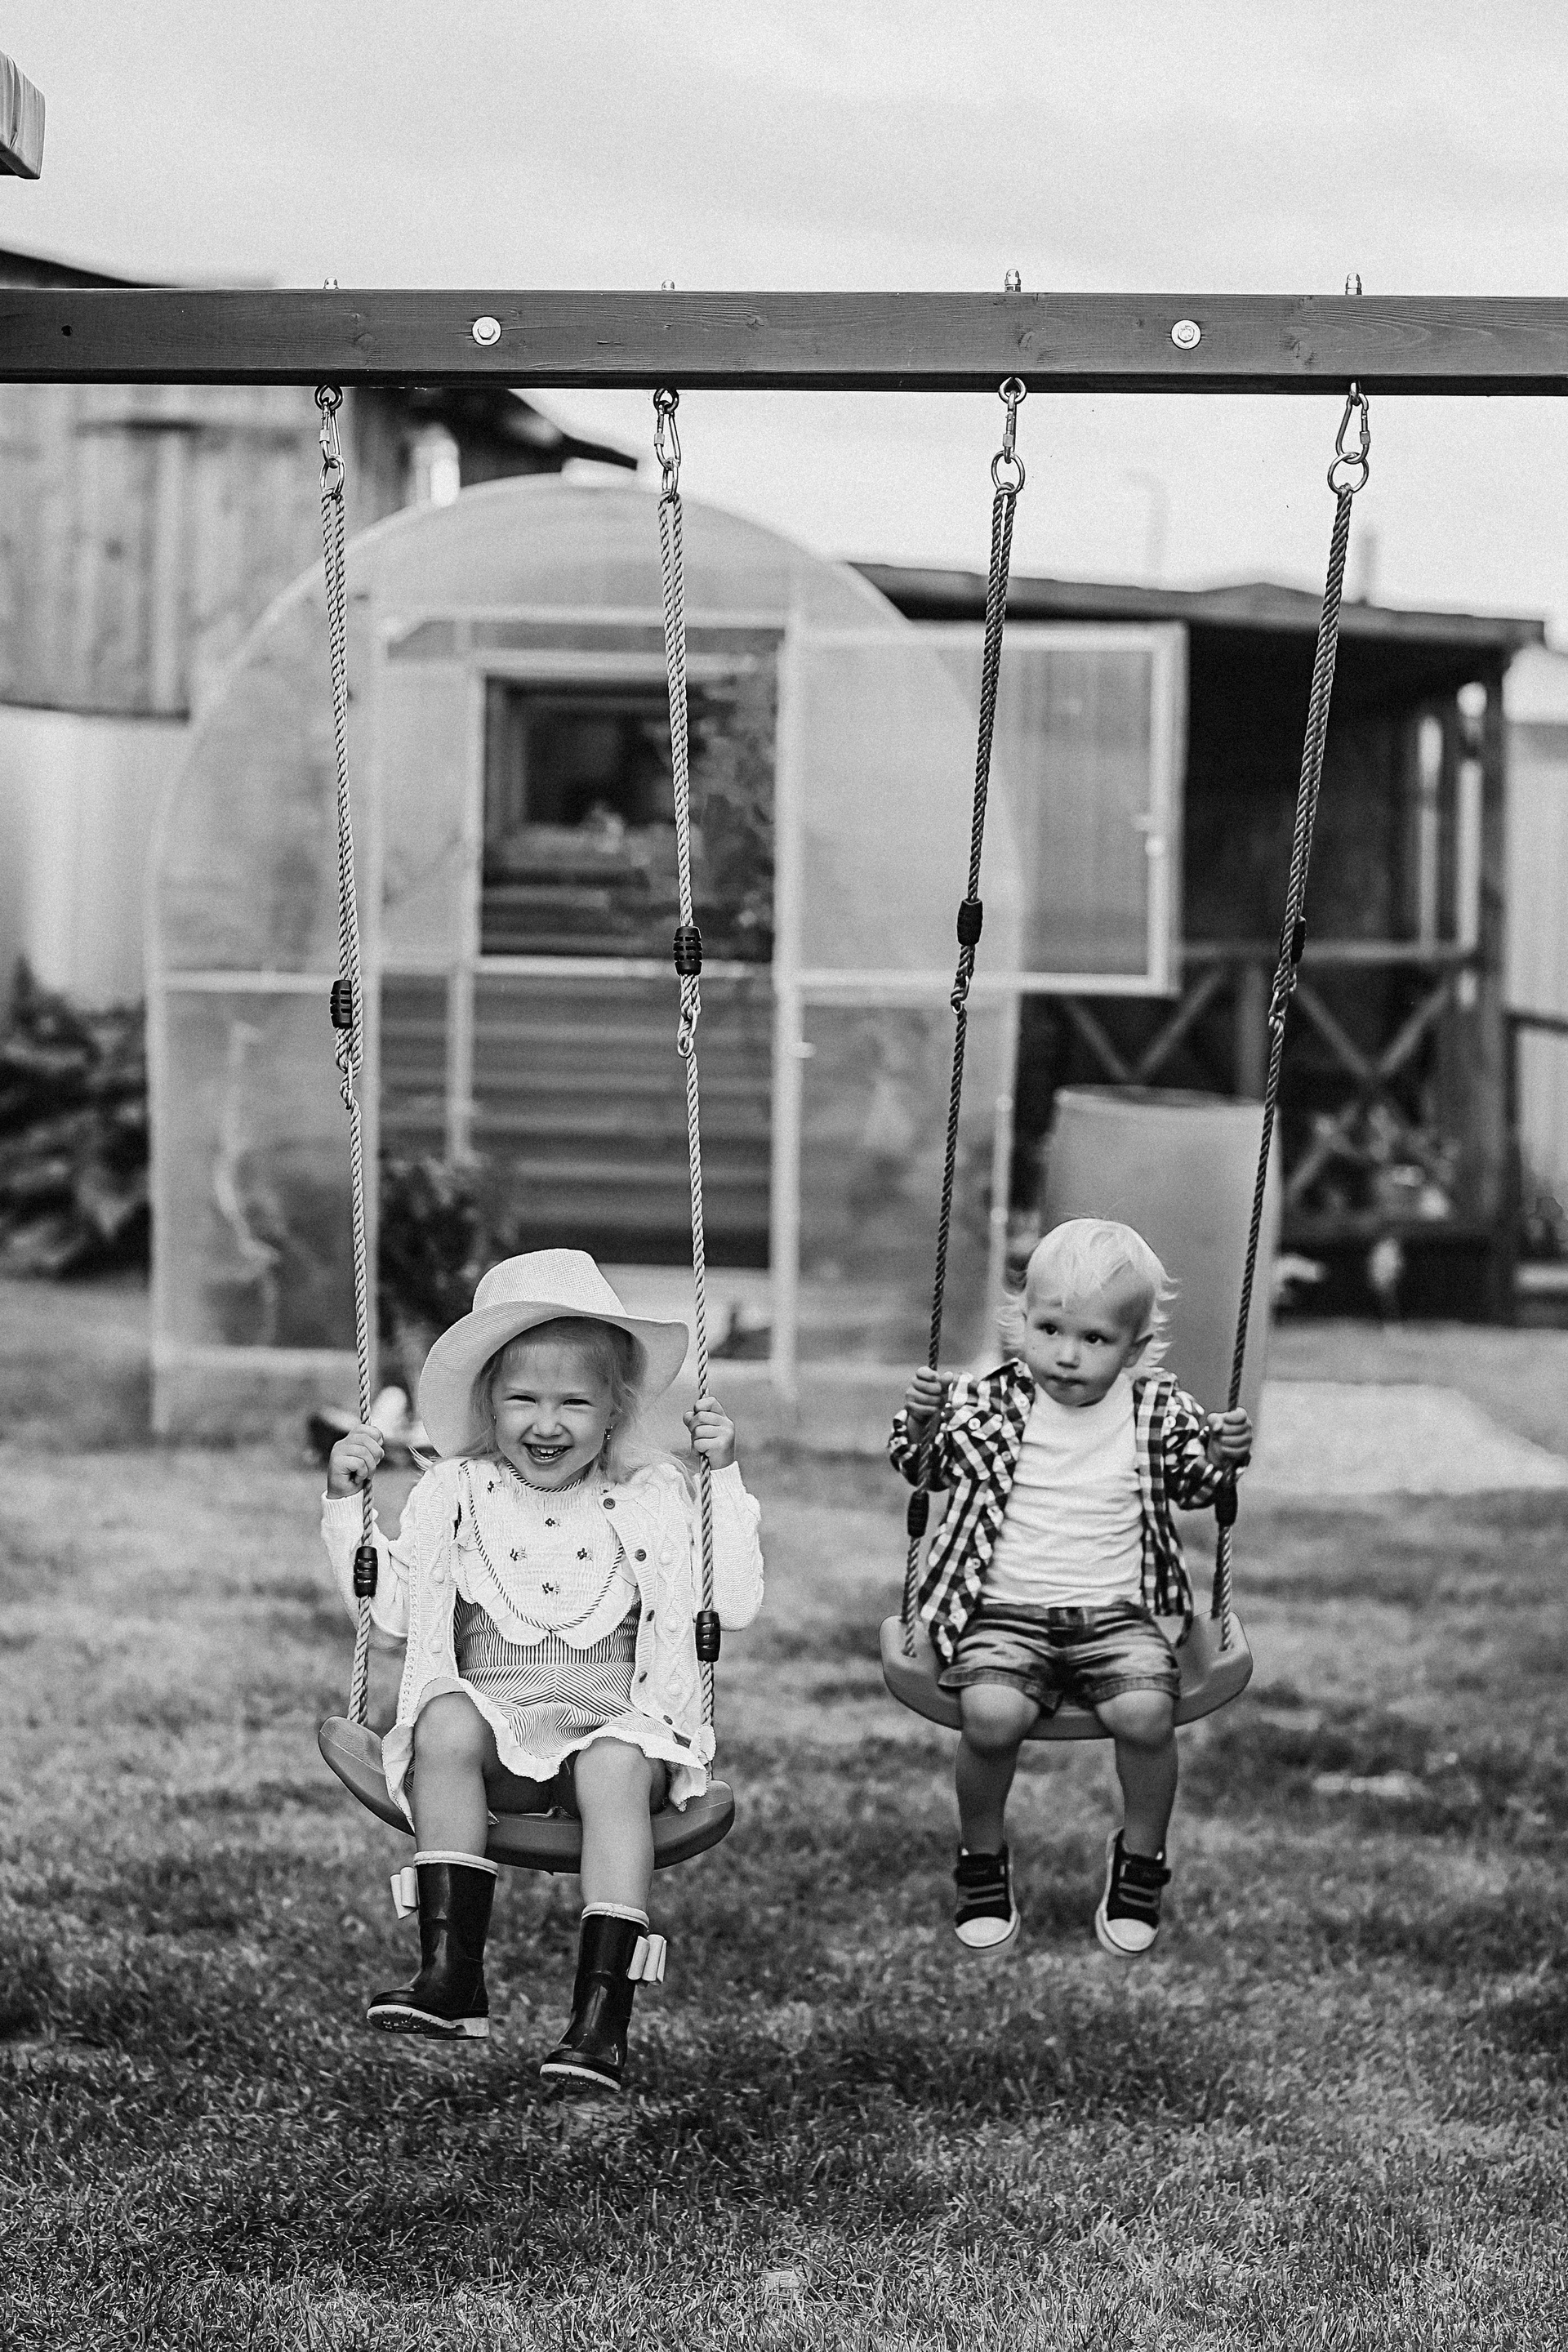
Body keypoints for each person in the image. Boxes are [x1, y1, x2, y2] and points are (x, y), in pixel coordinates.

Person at [323, 1249, 763, 2091]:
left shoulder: (653, 1492)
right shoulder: (456, 1490)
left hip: (613, 1731)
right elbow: (391, 1612)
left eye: (575, 1402)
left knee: (615, 1762)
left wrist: (724, 1477)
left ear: (615, 1409)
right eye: (523, 1399)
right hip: (500, 1745)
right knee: (446, 1717)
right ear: (488, 1401)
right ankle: (452, 1978)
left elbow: (733, 1600)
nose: (547, 1423)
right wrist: (349, 1505)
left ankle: (601, 2020)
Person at [889, 1218, 1251, 1960]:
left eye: (1094, 1339)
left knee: (1147, 1714)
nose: (1066, 1353)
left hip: (1117, 1615)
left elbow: (1196, 1484)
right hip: (1001, 1611)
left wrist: (1219, 1454)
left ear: (1134, 1350)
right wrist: (922, 1425)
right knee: (991, 1718)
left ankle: (1141, 1862)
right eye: (1049, 1329)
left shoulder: (1157, 1411)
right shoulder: (987, 1400)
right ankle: (981, 1860)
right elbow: (925, 1468)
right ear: (1022, 1320)